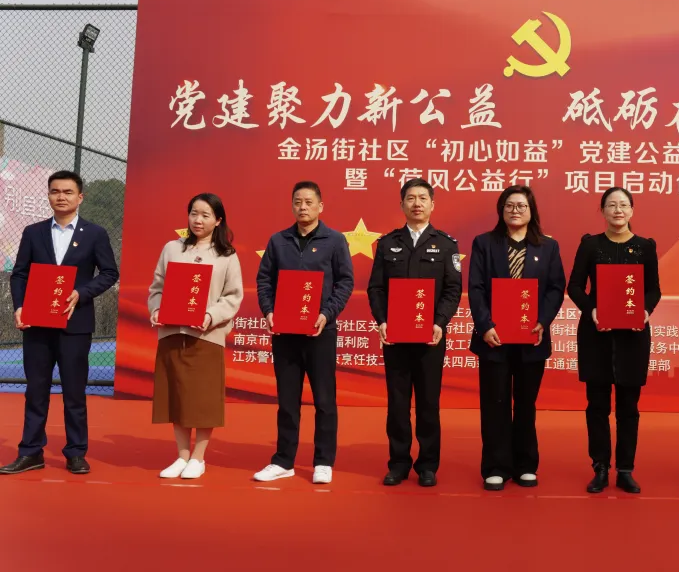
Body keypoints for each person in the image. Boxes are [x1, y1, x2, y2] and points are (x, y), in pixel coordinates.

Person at [1, 171, 119, 476]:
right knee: (35, 390)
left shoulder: (95, 234)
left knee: (74, 392)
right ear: (48, 196)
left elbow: (109, 273)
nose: (61, 197)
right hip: (37, 324)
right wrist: (20, 307)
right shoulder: (33, 232)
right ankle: (30, 452)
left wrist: (82, 292)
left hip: (75, 326)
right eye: (55, 191)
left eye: (68, 192)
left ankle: (76, 453)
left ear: (80, 197)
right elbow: (20, 273)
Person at [252, 181, 354, 484]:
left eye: (309, 202)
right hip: (285, 333)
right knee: (287, 400)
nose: (303, 207)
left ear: (320, 206)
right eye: (298, 202)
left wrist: (326, 314)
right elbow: (264, 281)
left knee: (324, 399)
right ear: (292, 205)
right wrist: (269, 311)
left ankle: (323, 461)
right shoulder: (278, 241)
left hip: (320, 332)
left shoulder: (334, 240)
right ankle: (283, 460)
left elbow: (345, 282)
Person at [468, 186, 566, 491]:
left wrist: (542, 321)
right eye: (509, 205)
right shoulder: (485, 243)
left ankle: (525, 464)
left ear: (531, 210)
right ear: (501, 210)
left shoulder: (548, 246)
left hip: (531, 337)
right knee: (495, 402)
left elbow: (555, 288)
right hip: (493, 337)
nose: (515, 211)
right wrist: (485, 326)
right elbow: (476, 287)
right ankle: (496, 466)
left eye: (521, 206)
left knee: (525, 403)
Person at [368, 178, 463, 487]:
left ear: (433, 204)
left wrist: (439, 322)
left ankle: (427, 464)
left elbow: (452, 289)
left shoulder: (446, 244)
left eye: (423, 198)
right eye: (411, 198)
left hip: (430, 338)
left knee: (428, 403)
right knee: (397, 403)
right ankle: (398, 463)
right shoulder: (387, 243)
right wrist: (382, 321)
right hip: (395, 337)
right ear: (402, 205)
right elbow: (376, 288)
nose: (417, 203)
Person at [568, 187, 660, 494]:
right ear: (603, 211)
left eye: (623, 205)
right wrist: (591, 309)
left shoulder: (645, 247)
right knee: (597, 404)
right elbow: (575, 286)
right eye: (611, 205)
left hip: (633, 335)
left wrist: (645, 310)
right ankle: (600, 467)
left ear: (632, 210)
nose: (618, 210)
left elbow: (653, 289)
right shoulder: (590, 245)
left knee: (628, 406)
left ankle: (625, 469)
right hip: (596, 333)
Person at [148, 193, 243, 480]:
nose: (198, 220)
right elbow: (157, 287)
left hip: (206, 335)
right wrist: (156, 309)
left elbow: (232, 296)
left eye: (205, 215)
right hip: (172, 332)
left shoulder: (226, 255)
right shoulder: (172, 248)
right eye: (193, 213)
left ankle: (198, 458)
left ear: (218, 220)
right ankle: (181, 456)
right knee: (176, 395)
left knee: (203, 399)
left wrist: (210, 316)